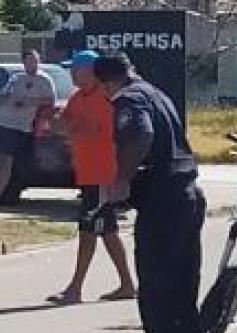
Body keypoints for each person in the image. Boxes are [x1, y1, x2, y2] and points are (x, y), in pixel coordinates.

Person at [93, 52, 210, 333]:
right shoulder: (157, 94)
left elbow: (140, 136)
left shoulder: (129, 99)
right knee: (184, 287)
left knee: (157, 289)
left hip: (162, 202)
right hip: (186, 196)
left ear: (105, 82)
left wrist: (122, 179)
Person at [46, 50, 135, 305]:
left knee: (88, 229)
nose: (72, 74)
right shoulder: (77, 98)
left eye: (75, 69)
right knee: (107, 230)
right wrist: (55, 122)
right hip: (87, 173)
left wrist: (75, 128)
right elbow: (65, 126)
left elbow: (105, 132)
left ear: (90, 71)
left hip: (103, 175)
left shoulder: (106, 98)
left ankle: (75, 288)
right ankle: (127, 284)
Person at [0, 50, 56, 205]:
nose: (32, 64)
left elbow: (50, 101)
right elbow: (2, 96)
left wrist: (30, 101)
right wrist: (3, 99)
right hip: (0, 121)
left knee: (6, 161)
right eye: (29, 60)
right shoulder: (16, 78)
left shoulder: (44, 80)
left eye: (35, 60)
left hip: (19, 127)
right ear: (24, 62)